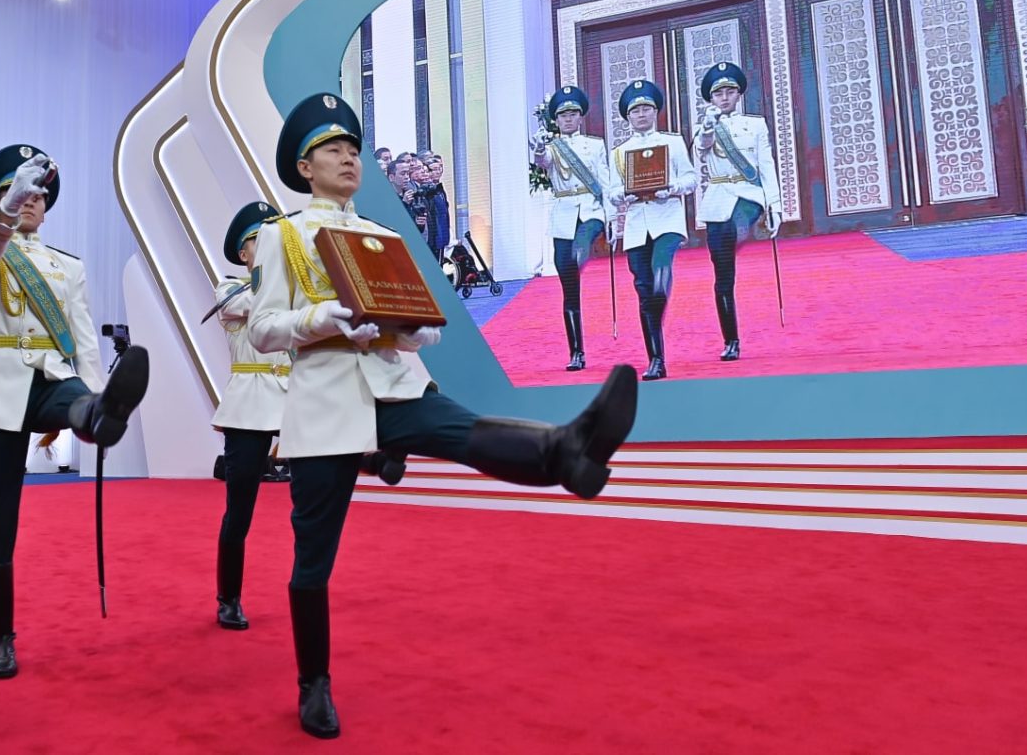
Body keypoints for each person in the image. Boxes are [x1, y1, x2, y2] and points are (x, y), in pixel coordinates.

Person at [247, 92, 639, 740]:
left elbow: (426, 327)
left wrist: (409, 328)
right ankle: (313, 683)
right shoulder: (281, 236)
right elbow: (263, 330)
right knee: (313, 555)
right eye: (332, 150)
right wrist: (325, 318)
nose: (348, 159)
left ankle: (567, 452)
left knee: (462, 430)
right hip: (325, 401)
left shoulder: (380, 236)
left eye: (353, 149)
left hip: (394, 385)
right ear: (304, 167)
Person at [0, 145, 150, 679]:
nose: (31, 200)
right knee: (0, 522)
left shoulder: (69, 266)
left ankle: (97, 414)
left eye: (38, 194)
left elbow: (83, 338)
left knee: (78, 401)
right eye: (19, 192)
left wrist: (98, 388)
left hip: (53, 379)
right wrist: (5, 213)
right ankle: (1, 639)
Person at [210, 201, 294, 630]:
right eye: (260, 240)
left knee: (311, 503)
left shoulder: (292, 288)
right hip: (250, 403)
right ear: (243, 253)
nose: (269, 246)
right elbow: (251, 304)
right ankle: (229, 597)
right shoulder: (230, 288)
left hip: (295, 399)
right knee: (239, 510)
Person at [606, 80, 698, 381]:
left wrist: (671, 188)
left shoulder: (672, 142)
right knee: (644, 290)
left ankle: (661, 297)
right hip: (636, 226)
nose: (641, 114)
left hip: (667, 219)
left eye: (646, 108)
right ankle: (656, 360)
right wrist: (624, 194)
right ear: (628, 117)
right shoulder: (620, 152)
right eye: (635, 111)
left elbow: (691, 179)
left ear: (655, 111)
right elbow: (612, 190)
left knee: (660, 272)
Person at [691, 62, 783, 361]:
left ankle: (744, 232)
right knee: (722, 275)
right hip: (718, 199)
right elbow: (702, 148)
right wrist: (708, 126)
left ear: (738, 94)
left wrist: (774, 205)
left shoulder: (755, 125)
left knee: (737, 226)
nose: (725, 97)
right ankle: (731, 340)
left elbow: (766, 164)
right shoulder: (704, 127)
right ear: (711, 98)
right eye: (719, 94)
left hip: (748, 195)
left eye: (730, 92)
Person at [530, 85, 610, 371]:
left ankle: (582, 252)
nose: (568, 119)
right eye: (563, 115)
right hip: (564, 216)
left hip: (590, 211)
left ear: (580, 117)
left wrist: (612, 219)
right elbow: (542, 162)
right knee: (569, 287)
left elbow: (605, 181)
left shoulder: (595, 145)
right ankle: (577, 352)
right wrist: (539, 148)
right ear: (556, 119)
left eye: (572, 114)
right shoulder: (551, 147)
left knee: (581, 246)